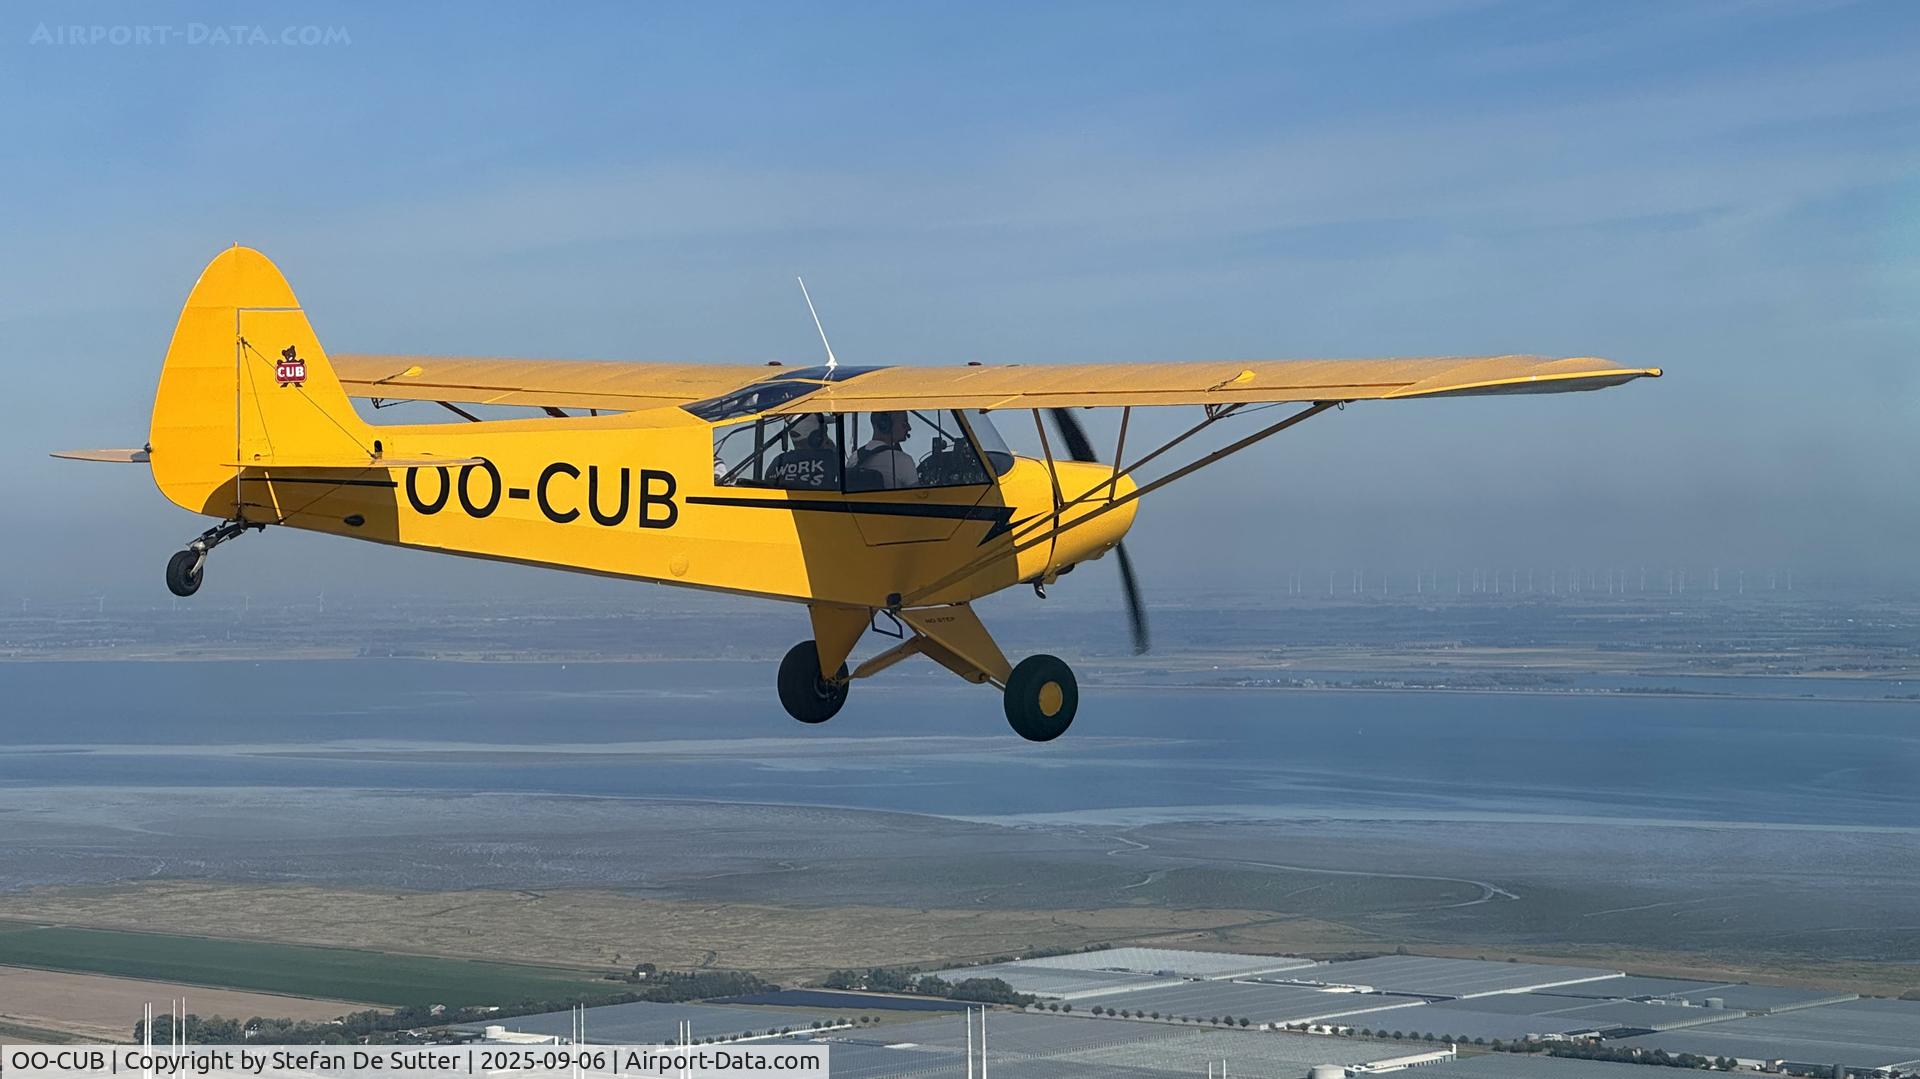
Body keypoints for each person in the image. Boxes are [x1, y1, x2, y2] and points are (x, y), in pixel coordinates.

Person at [765, 414, 839, 490]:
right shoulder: (829, 459)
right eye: (824, 432)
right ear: (816, 438)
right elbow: (848, 479)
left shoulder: (777, 462)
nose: (827, 438)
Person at [849, 411, 918, 489]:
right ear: (885, 424)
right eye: (904, 423)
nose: (909, 428)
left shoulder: (854, 458)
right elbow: (918, 496)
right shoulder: (903, 460)